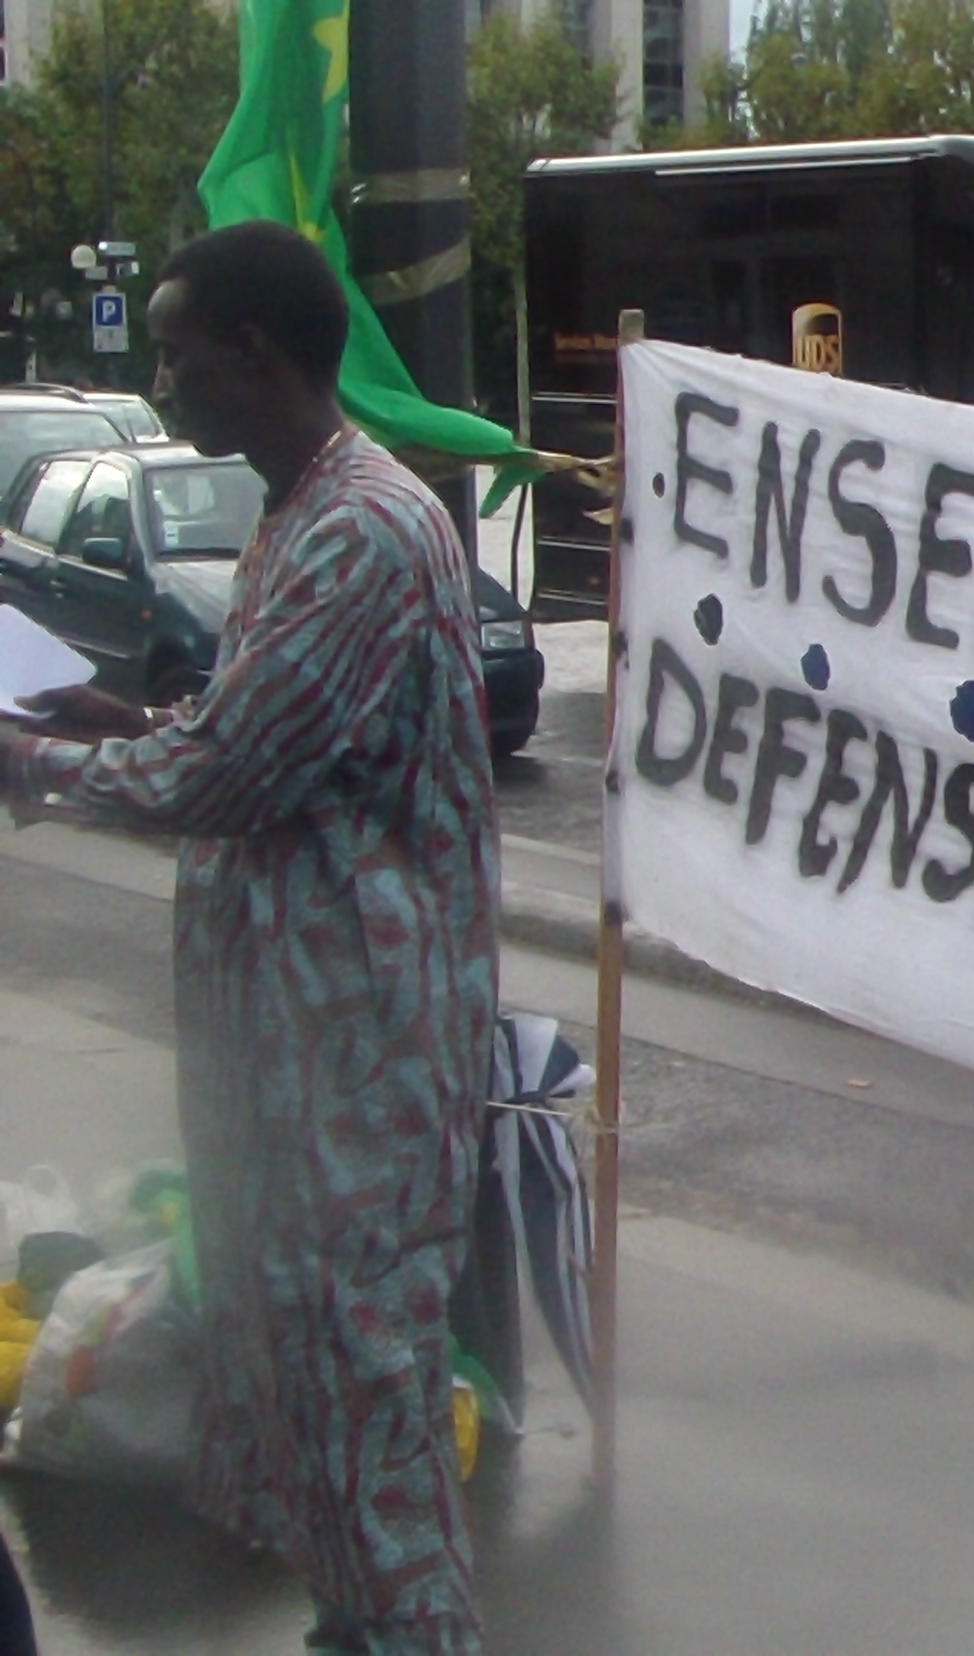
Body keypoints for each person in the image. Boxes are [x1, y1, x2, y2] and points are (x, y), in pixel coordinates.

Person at [0, 219, 498, 1654]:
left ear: (252, 353)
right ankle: (360, 1623)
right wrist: (130, 718)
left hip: (358, 1073)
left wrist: (27, 768)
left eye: (173, 351)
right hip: (292, 1068)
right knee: (318, 1419)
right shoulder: (298, 512)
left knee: (368, 1414)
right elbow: (258, 741)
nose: (159, 381)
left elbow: (226, 782)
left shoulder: (366, 529)